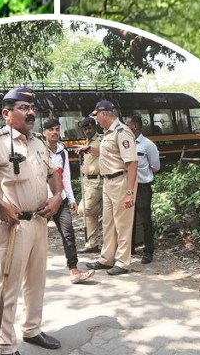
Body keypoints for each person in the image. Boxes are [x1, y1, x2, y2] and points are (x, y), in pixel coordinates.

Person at [0, 87, 64, 354]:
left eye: (31, 108)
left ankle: (32, 329)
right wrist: (0, 205)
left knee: (37, 281)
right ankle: (5, 344)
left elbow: (52, 172)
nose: (30, 112)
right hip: (13, 227)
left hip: (38, 221)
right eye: (23, 108)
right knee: (8, 286)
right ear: (6, 113)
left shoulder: (37, 142)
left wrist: (58, 195)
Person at [86, 100, 138, 276]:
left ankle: (123, 261)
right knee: (108, 222)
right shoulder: (108, 133)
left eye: (97, 117)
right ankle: (106, 258)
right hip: (107, 182)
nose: (96, 121)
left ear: (105, 114)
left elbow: (131, 163)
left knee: (122, 223)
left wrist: (130, 192)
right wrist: (89, 150)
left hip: (121, 181)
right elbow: (110, 155)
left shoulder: (123, 132)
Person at [41, 117, 94, 284]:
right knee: (36, 236)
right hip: (42, 201)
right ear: (44, 133)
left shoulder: (63, 152)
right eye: (51, 129)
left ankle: (74, 270)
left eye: (57, 129)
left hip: (60, 199)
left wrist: (71, 199)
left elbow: (66, 177)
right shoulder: (38, 151)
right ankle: (29, 270)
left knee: (68, 234)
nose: (55, 132)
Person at [127, 115, 160, 264]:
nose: (125, 128)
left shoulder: (148, 145)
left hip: (143, 187)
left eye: (127, 125)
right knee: (129, 218)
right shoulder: (126, 143)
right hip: (128, 187)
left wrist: (144, 175)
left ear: (134, 126)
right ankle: (130, 247)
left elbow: (155, 166)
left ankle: (148, 251)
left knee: (145, 219)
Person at [76, 116, 103, 253]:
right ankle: (92, 244)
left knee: (83, 209)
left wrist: (88, 149)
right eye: (85, 129)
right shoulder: (87, 141)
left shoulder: (101, 140)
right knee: (90, 215)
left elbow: (104, 154)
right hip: (87, 180)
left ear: (95, 126)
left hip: (97, 181)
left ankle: (104, 209)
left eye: (89, 127)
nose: (87, 131)